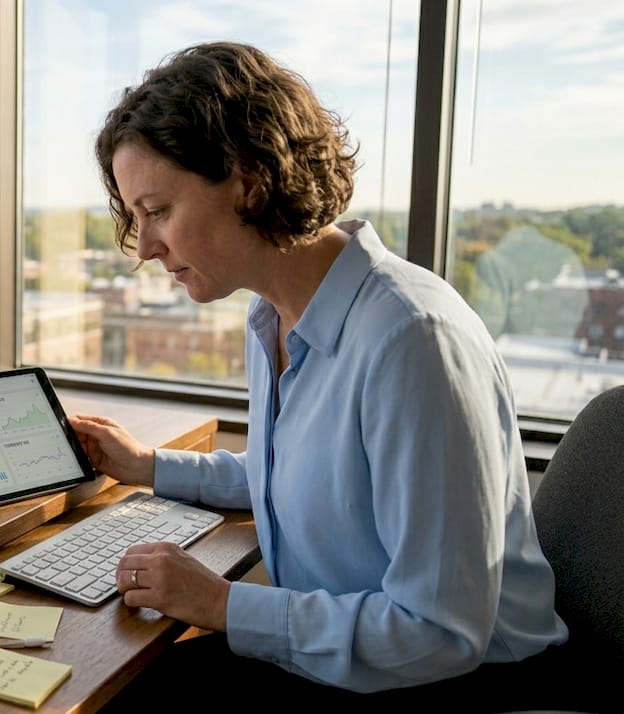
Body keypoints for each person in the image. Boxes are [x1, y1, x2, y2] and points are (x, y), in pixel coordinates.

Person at [70, 41, 569, 708]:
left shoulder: (412, 342)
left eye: (157, 211)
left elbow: (440, 633)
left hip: (458, 683)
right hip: (354, 655)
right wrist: (148, 467)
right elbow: (300, 477)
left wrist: (222, 603)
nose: (147, 248)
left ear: (246, 179)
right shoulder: (273, 318)